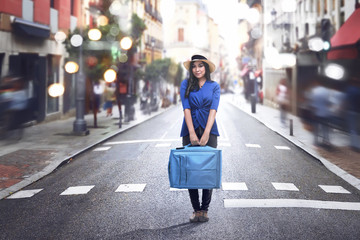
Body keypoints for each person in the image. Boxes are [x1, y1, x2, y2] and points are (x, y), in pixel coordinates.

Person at [180, 54, 220, 223]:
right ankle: (196, 209)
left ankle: (205, 209)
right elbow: (186, 109)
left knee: (207, 171)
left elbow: (213, 110)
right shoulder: (185, 84)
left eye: (200, 66)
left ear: (206, 68)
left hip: (209, 132)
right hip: (189, 130)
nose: (197, 69)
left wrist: (205, 133)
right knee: (191, 171)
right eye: (194, 66)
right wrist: (192, 133)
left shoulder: (214, 86)